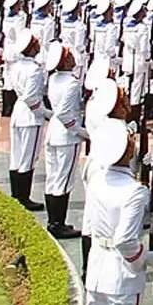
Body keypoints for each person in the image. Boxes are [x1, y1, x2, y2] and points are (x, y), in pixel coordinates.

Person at [81, 118, 153, 305]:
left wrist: (148, 214)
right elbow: (125, 240)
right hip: (121, 274)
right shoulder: (135, 192)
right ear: (128, 151)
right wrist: (145, 257)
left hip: (97, 269)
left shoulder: (97, 179)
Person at [43, 43, 85, 239]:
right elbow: (65, 114)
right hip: (67, 135)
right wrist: (82, 132)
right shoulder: (72, 82)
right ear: (65, 61)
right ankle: (58, 224)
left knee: (53, 179)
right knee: (63, 181)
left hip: (53, 132)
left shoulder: (54, 78)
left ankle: (53, 221)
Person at [7, 29, 49, 201]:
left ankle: (17, 195)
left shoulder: (16, 66)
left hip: (19, 112)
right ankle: (23, 197)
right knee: (28, 158)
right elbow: (32, 99)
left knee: (17, 156)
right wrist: (47, 114)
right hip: (31, 116)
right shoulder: (34, 69)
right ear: (31, 48)